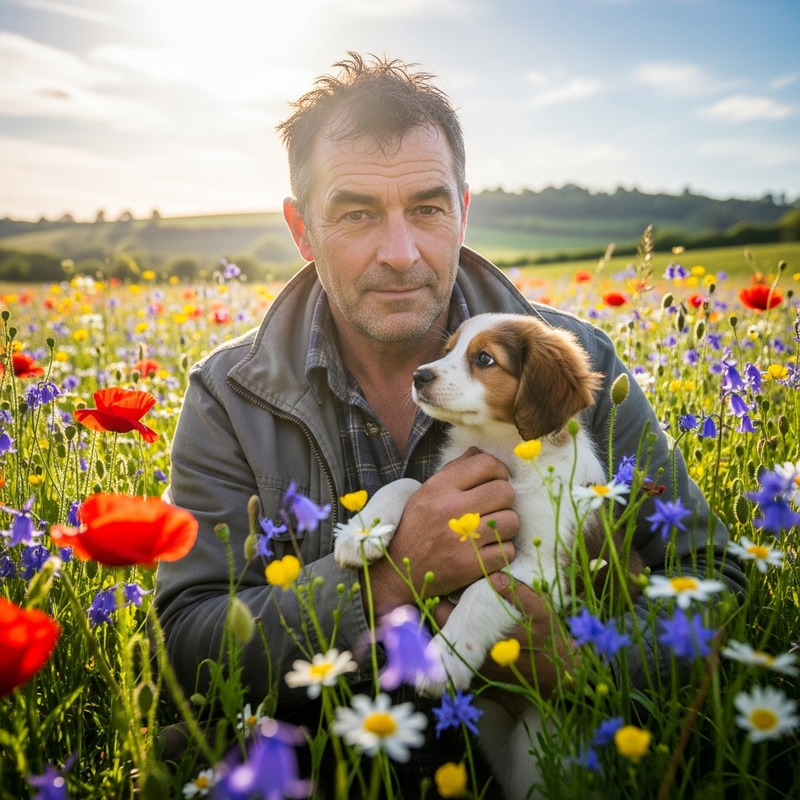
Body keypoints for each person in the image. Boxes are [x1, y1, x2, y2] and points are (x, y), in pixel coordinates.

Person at [155, 53, 745, 797]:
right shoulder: (229, 395)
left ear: (464, 209)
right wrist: (386, 575)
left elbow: (719, 585)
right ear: (302, 229)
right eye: (357, 212)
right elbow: (188, 638)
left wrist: (584, 663)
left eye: (428, 209)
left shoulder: (576, 360)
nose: (400, 254)